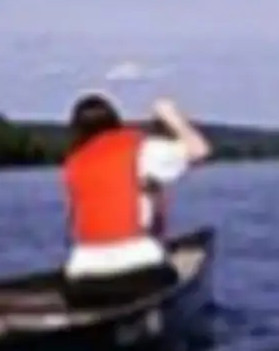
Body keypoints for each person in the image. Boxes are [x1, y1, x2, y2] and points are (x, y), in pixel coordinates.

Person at [60, 93, 211, 307]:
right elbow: (199, 150)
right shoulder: (140, 148)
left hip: (83, 280)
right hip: (139, 274)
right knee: (168, 278)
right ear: (116, 121)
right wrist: (172, 117)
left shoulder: (74, 163)